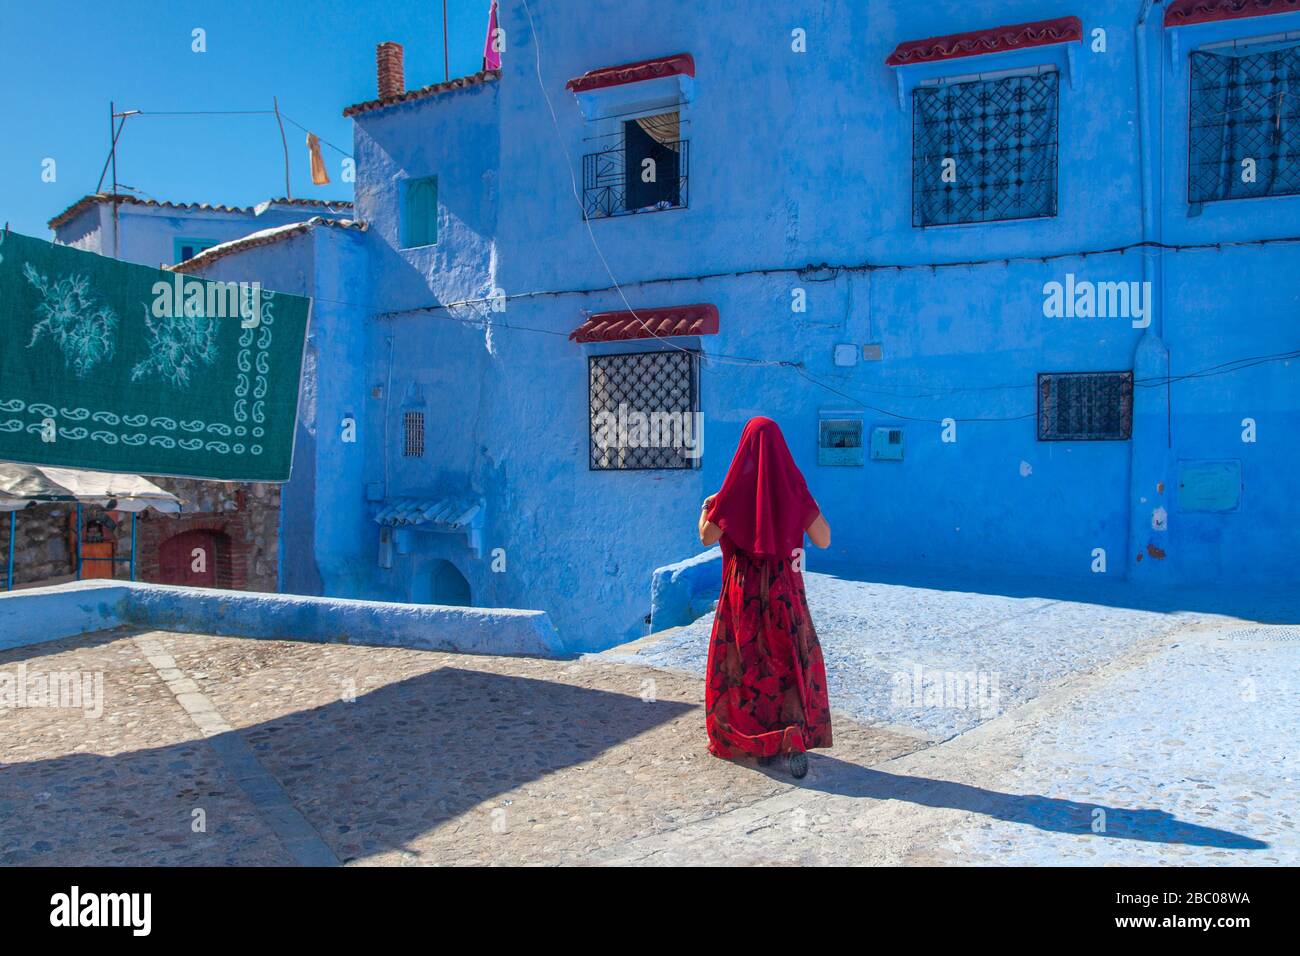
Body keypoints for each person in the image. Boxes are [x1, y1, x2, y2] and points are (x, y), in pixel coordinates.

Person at [697, 417, 832, 779]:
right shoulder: (794, 489)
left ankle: (752, 736)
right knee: (787, 662)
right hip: (786, 590)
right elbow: (824, 540)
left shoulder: (733, 490)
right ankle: (790, 734)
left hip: (743, 594)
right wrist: (807, 503)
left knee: (743, 665)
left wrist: (706, 508)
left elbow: (707, 538)